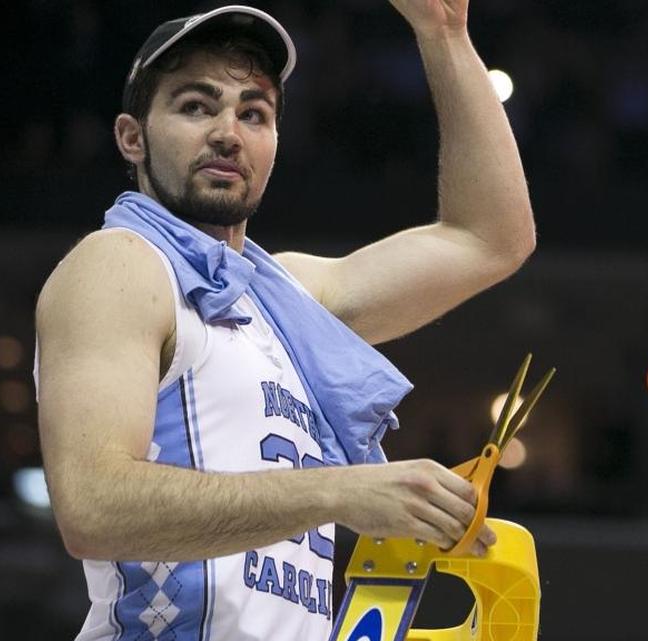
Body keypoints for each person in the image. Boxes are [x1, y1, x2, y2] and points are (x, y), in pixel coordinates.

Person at [33, 3, 535, 640]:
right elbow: (92, 508)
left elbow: (490, 238)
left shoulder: (287, 298)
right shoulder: (120, 264)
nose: (227, 132)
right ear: (132, 137)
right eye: (195, 106)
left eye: (254, 113)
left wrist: (445, 35)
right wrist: (337, 492)